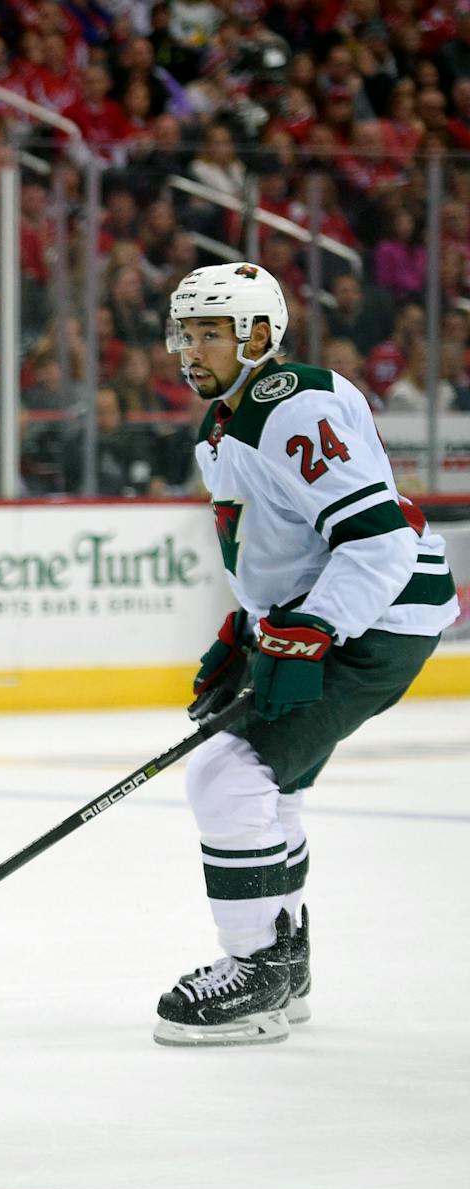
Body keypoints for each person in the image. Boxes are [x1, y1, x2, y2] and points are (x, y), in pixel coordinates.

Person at [161, 263, 459, 1047]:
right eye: (185, 334)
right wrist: (255, 625)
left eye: (210, 333)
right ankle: (281, 964)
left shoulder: (294, 407)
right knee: (273, 781)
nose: (191, 350)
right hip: (349, 614)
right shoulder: (228, 422)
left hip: (377, 616)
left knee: (228, 775)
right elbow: (284, 544)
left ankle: (254, 970)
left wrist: (314, 628)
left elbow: (379, 542)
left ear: (259, 335)